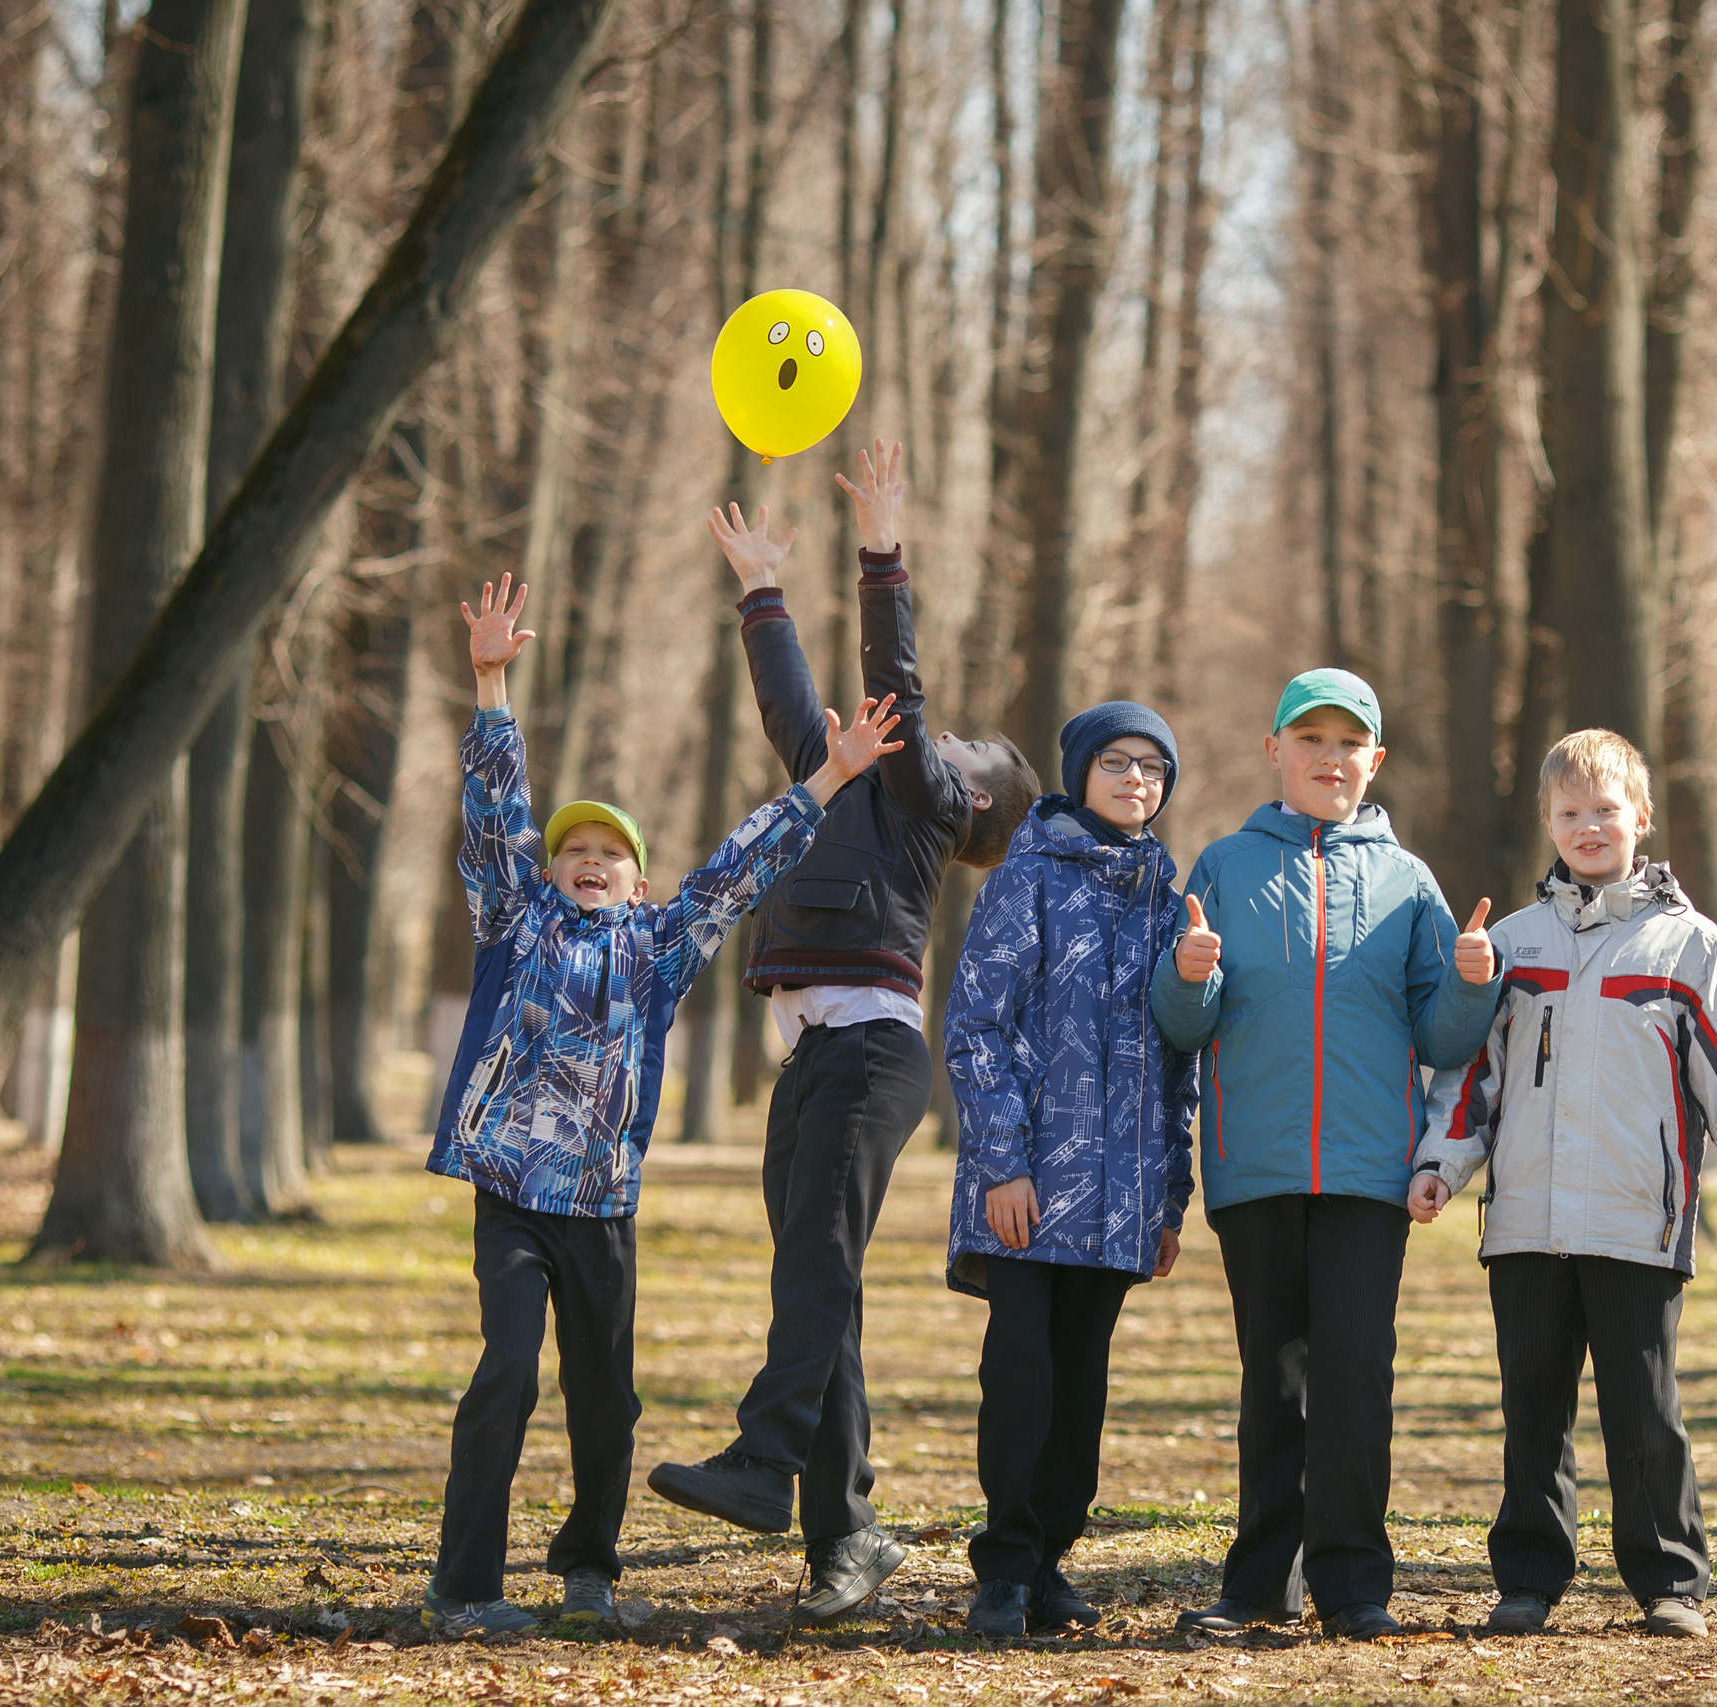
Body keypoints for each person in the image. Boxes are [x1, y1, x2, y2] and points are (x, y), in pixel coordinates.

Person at [421, 573, 904, 1641]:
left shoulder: (658, 949)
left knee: (608, 1403)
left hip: (603, 1208)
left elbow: (741, 865)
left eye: (612, 856)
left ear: (637, 884)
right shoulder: (515, 924)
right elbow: (494, 818)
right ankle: (462, 1587)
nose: (590, 864)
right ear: (551, 874)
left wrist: (830, 776)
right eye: (575, 852)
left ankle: (587, 1566)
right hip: (510, 1193)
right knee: (505, 1371)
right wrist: (491, 686)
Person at [647, 441, 1042, 1624]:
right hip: (811, 1052)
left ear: (973, 795)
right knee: (820, 1283)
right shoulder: (843, 779)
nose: (940, 739)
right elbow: (786, 702)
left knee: (818, 1261)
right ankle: (849, 1528)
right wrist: (761, 589)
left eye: (964, 750)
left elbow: (901, 692)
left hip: (875, 1052)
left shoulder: (924, 800)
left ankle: (766, 1463)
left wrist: (881, 554)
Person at [1409, 728, 1717, 1641]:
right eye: (1570, 811)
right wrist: (1440, 1163)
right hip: (1526, 1222)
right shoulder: (1515, 942)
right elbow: (1474, 1077)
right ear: (1547, 820)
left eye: (1606, 810)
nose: (1589, 826)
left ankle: (1669, 1580)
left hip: (1638, 1218)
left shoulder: (1687, 946)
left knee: (1644, 1409)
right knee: (1532, 1408)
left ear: (1642, 819)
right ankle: (1529, 1578)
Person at [1151, 668, 1502, 1641]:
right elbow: (1184, 1024)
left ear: (1373, 762)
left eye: (1349, 744)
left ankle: (1354, 1588)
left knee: (1354, 1378)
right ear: (1275, 753)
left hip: (1365, 1174)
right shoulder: (1222, 867)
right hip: (1254, 1166)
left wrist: (1471, 984)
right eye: (1311, 741)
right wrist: (1187, 977)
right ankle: (1258, 1583)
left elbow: (1440, 1038)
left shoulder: (1407, 883)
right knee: (1273, 1381)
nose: (1329, 759)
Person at [943, 702, 1199, 1637]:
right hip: (1029, 1192)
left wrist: (1170, 1195)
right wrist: (1004, 1164)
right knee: (1022, 1377)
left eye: (1155, 769)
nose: (1137, 780)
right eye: (1119, 763)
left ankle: (1051, 1559)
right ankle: (1003, 1569)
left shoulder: (1171, 901)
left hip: (1123, 1199)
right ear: (1081, 770)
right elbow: (978, 1028)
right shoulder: (1028, 878)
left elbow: (1181, 1062)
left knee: (1082, 1386)